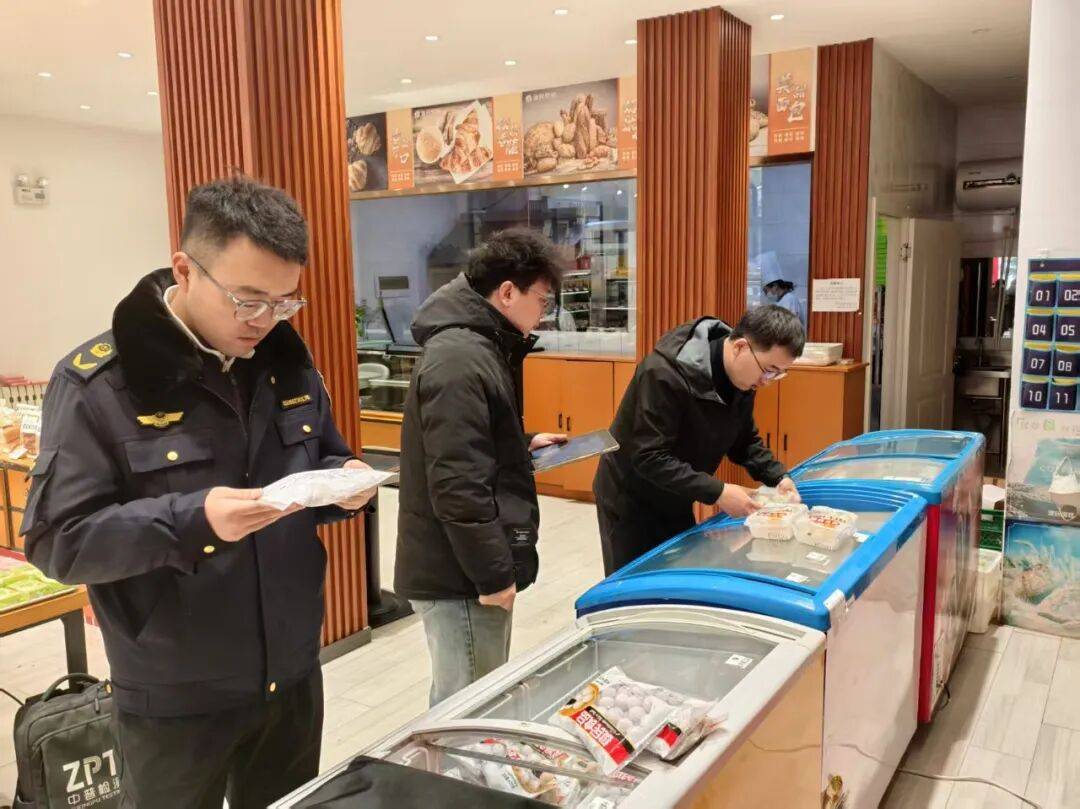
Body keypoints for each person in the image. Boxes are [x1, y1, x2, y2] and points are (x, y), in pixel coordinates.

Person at [20, 176, 375, 809]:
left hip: (292, 671)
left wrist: (341, 481)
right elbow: (57, 541)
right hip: (174, 693)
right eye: (247, 300)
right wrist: (192, 519)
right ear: (185, 269)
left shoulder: (287, 363)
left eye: (285, 302)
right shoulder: (101, 385)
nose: (264, 321)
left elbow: (320, 455)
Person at [395, 228, 567, 707]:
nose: (543, 314)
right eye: (542, 300)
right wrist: (493, 576)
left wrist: (521, 445)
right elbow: (458, 485)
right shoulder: (459, 358)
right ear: (507, 292)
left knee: (467, 695)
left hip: (462, 566)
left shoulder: (478, 346)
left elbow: (466, 444)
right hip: (460, 575)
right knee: (470, 705)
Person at [593, 306, 806, 575]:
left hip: (677, 493)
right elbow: (648, 456)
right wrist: (719, 492)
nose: (767, 381)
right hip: (630, 498)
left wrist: (778, 477)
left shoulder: (743, 379)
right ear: (740, 347)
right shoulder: (663, 373)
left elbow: (743, 440)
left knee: (677, 575)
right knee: (635, 585)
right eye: (769, 370)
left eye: (778, 374)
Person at [757, 251, 806, 327]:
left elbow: (786, 326)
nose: (766, 295)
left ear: (775, 286)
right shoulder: (781, 301)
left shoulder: (789, 300)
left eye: (766, 290)